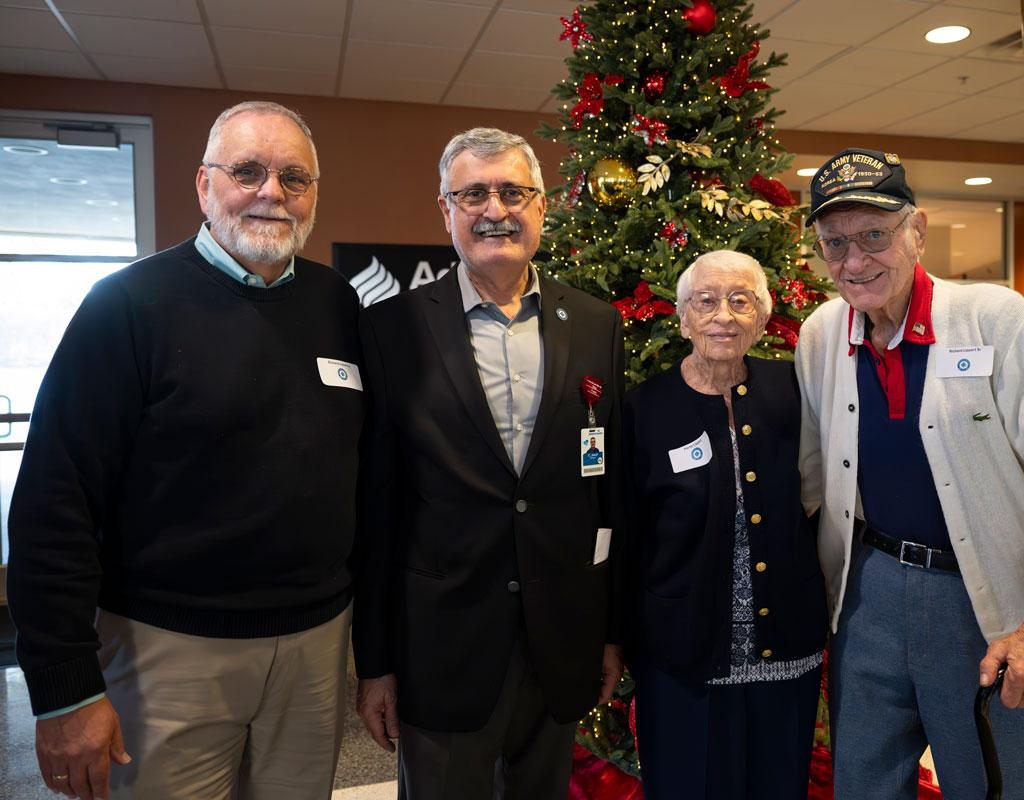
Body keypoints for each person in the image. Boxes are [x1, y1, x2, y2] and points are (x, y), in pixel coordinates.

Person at [7, 100, 363, 800]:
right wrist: (64, 687)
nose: (272, 192)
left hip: (317, 649)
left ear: (314, 194)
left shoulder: (336, 302)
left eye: (295, 177)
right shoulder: (126, 306)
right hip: (168, 650)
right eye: (248, 171)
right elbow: (55, 500)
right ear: (204, 186)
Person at [794, 148, 1024, 798]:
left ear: (916, 233)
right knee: (863, 781)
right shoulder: (822, 334)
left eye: (873, 236)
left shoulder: (993, 320)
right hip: (869, 595)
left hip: (984, 603)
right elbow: (810, 479)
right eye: (836, 244)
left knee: (1003, 783)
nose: (855, 262)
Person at [353, 127, 625, 799]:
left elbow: (606, 494)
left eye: (512, 191)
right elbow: (378, 510)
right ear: (446, 210)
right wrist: (376, 663)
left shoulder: (595, 323)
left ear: (541, 207)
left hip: (559, 641)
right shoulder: (391, 329)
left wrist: (609, 632)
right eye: (473, 193)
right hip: (441, 647)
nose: (494, 210)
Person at [623, 250, 827, 799]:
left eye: (741, 301)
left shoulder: (796, 391)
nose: (724, 315)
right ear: (683, 316)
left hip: (787, 644)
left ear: (763, 317)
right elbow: (626, 535)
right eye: (706, 301)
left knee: (778, 785)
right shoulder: (643, 409)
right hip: (681, 649)